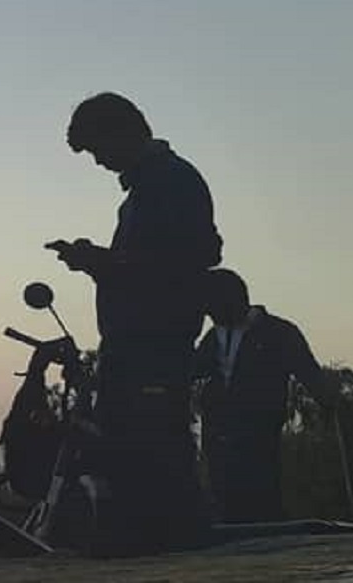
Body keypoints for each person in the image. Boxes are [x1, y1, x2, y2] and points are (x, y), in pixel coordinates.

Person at [53, 91, 222, 553]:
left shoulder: (171, 181)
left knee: (156, 452)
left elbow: (188, 258)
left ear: (123, 132)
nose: (98, 161)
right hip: (136, 343)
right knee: (134, 451)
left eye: (98, 149)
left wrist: (101, 262)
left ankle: (173, 547)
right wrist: (99, 262)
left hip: (154, 342)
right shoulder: (148, 189)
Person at [192, 269, 337, 522]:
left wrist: (330, 405)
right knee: (221, 487)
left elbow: (308, 371)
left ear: (233, 299)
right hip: (218, 426)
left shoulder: (278, 332)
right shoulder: (214, 336)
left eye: (211, 305)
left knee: (260, 488)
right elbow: (194, 369)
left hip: (258, 425)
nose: (208, 313)